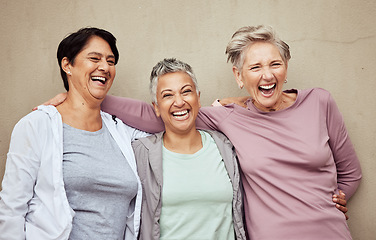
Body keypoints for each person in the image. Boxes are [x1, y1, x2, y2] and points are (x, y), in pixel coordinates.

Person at [98, 25, 362, 239]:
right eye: (255, 68)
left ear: (286, 67)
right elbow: (163, 115)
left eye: (275, 64)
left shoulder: (320, 102)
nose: (267, 75)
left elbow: (351, 173)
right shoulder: (229, 118)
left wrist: (340, 196)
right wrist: (89, 97)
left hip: (330, 233)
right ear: (239, 76)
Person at [0, 27, 148, 240]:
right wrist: (80, 95)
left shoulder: (120, 130)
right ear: (67, 65)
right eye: (94, 58)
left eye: (111, 61)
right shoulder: (37, 125)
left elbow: (169, 122)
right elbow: (11, 209)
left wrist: (97, 99)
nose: (105, 67)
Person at [132, 58, 246, 239]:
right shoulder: (141, 153)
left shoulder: (225, 147)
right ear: (156, 107)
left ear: (198, 98)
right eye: (167, 95)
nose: (179, 102)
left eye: (186, 92)